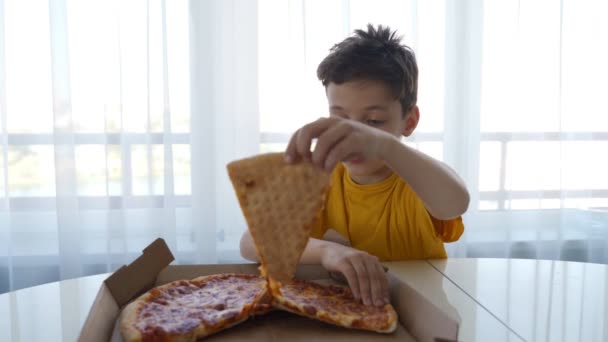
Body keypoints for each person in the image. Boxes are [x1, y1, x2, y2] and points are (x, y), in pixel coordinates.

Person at [240, 24, 469, 308]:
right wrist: (326, 252)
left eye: (373, 122)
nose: (356, 135)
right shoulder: (323, 177)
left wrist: (384, 145)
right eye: (341, 118)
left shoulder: (417, 177)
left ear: (408, 121)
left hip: (422, 316)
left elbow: (455, 203)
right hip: (350, 314)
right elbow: (251, 242)